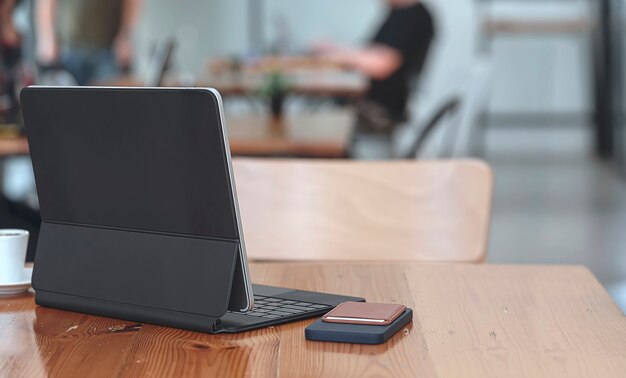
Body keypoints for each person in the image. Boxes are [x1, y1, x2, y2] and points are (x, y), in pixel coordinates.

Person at [315, 0, 435, 158]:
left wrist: (340, 54)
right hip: (368, 101)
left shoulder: (416, 16)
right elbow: (371, 52)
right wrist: (337, 49)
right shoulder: (395, 12)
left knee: (316, 127)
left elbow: (382, 64)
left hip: (379, 110)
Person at [35, 0, 141, 85]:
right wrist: (47, 36)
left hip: (108, 51)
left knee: (107, 105)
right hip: (68, 49)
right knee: (67, 105)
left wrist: (126, 36)